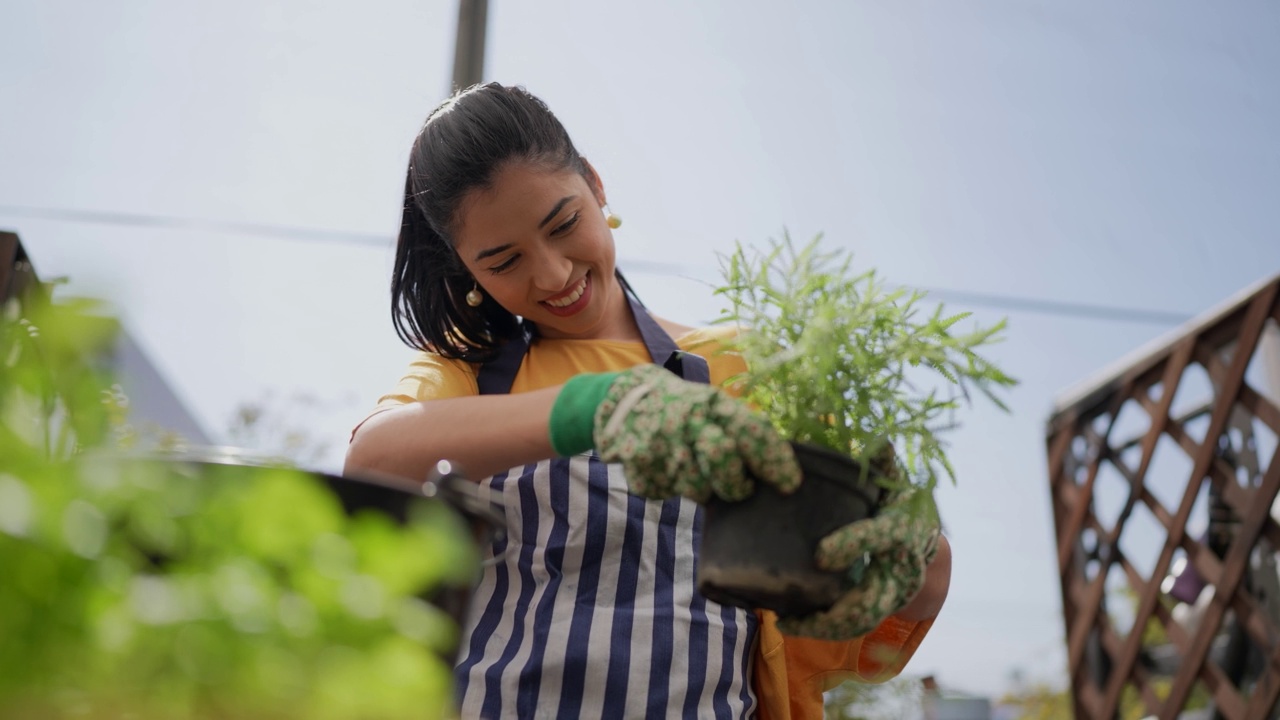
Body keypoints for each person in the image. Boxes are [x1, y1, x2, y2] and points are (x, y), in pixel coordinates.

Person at [345, 82, 951, 719]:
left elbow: (884, 595)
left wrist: (918, 550)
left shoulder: (747, 367)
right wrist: (596, 407)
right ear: (467, 268)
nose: (551, 275)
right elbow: (373, 459)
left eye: (564, 224)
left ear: (596, 185)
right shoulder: (467, 376)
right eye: (503, 261)